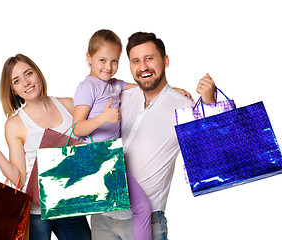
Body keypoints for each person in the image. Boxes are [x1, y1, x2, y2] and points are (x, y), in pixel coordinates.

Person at [90, 32, 216, 240]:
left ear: (165, 61)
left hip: (147, 220)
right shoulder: (120, 97)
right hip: (103, 215)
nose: (143, 67)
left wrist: (209, 103)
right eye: (136, 61)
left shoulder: (183, 108)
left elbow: (211, 151)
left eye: (149, 58)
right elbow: (84, 104)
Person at [0, 54, 91, 240]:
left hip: (69, 205)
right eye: (16, 81)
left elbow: (91, 144)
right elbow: (19, 178)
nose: (25, 82)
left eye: (28, 73)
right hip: (36, 211)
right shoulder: (15, 124)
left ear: (37, 74)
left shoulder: (69, 105)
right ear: (13, 90)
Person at [72, 29, 153, 240]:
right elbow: (76, 128)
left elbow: (144, 88)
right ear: (89, 58)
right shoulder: (87, 87)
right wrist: (103, 118)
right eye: (102, 60)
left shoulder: (114, 84)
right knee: (142, 208)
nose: (108, 67)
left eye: (114, 61)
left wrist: (173, 90)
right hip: (97, 159)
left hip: (112, 158)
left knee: (140, 208)